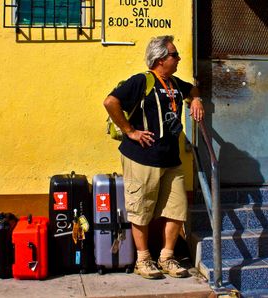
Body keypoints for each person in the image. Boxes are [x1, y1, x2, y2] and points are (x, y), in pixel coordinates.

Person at [103, 35, 204, 279]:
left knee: (177, 209)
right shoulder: (142, 81)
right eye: (174, 54)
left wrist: (197, 99)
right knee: (141, 210)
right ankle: (143, 259)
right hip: (141, 158)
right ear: (160, 59)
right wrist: (131, 131)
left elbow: (193, 89)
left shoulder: (174, 83)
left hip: (171, 159)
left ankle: (167, 257)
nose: (178, 58)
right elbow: (110, 102)